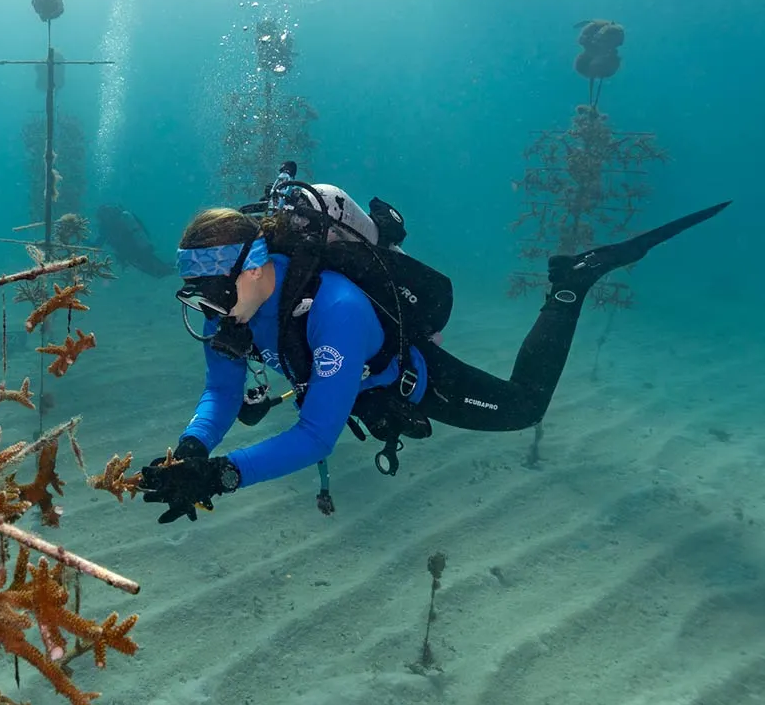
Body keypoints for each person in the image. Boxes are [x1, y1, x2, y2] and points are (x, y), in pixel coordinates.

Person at [138, 190, 729, 524]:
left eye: (219, 292)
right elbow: (220, 394)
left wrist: (222, 474)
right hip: (348, 387)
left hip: (408, 382)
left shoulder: (336, 310)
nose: (212, 310)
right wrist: (190, 451)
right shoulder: (231, 310)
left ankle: (571, 284)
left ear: (261, 264)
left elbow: (317, 435)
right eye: (200, 296)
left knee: (524, 408)